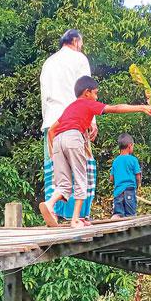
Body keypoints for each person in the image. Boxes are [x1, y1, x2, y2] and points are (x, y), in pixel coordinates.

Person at [40, 76, 151, 228]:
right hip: (73, 138)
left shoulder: (70, 107)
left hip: (58, 141)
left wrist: (54, 157)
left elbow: (51, 131)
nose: (97, 96)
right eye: (95, 93)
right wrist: (141, 107)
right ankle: (75, 219)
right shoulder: (88, 103)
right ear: (87, 93)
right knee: (81, 179)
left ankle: (49, 204)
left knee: (64, 185)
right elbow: (115, 108)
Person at [40, 29, 96, 223]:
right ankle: (78, 217)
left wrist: (48, 123)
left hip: (52, 123)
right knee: (82, 169)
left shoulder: (48, 62)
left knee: (55, 170)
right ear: (75, 41)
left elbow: (44, 97)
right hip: (74, 120)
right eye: (81, 42)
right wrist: (92, 121)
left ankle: (53, 211)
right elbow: (86, 93)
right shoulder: (79, 59)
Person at [110, 133, 141, 218]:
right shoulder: (133, 160)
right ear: (130, 146)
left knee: (118, 214)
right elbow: (138, 176)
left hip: (118, 192)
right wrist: (138, 185)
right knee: (131, 215)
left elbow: (111, 178)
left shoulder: (115, 161)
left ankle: (115, 221)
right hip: (129, 190)